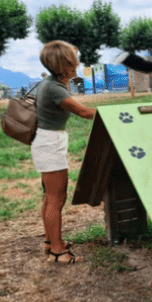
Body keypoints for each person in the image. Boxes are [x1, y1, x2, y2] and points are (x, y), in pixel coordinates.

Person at [32, 40, 96, 264]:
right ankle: (58, 252)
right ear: (63, 65)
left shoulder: (51, 82)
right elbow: (86, 113)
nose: (77, 65)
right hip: (49, 144)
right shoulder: (54, 88)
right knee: (56, 198)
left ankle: (51, 242)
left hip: (48, 141)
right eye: (72, 62)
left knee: (51, 197)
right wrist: (116, 114)